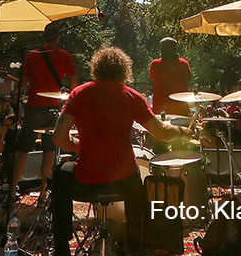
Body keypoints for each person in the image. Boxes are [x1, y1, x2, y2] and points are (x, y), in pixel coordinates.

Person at [51, 47, 187, 256]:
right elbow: (161, 133)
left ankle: (61, 247)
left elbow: (59, 139)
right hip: (123, 180)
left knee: (59, 174)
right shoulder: (132, 96)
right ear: (124, 70)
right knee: (138, 189)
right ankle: (133, 247)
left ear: (96, 68)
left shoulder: (79, 93)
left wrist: (80, 145)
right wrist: (182, 131)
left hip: (86, 180)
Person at [9, 23, 78, 205]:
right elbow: (74, 81)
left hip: (33, 108)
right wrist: (72, 100)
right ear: (58, 37)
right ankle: (42, 193)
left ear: (44, 36)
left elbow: (23, 84)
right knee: (49, 150)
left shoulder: (32, 55)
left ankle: (11, 191)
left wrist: (15, 92)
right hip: (54, 108)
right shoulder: (64, 56)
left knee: (23, 149)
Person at [149, 37, 192, 116]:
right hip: (180, 107)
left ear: (162, 50)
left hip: (161, 107)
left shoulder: (155, 64)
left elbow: (152, 77)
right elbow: (188, 79)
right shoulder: (183, 64)